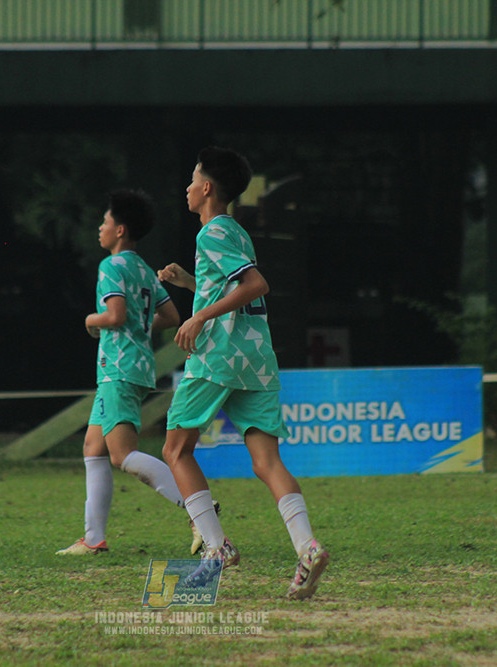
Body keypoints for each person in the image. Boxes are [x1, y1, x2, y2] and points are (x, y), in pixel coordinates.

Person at [158, 147, 329, 600]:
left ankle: (216, 548)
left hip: (217, 355)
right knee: (266, 462)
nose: (188, 187)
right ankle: (307, 547)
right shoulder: (235, 231)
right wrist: (191, 287)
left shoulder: (210, 233)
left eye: (193, 180)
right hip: (256, 356)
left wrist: (195, 319)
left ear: (208, 188)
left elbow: (256, 286)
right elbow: (235, 290)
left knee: (176, 450)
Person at [57, 189, 210, 555]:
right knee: (93, 449)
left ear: (120, 229)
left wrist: (90, 320)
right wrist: (140, 329)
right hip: (137, 365)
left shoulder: (111, 266)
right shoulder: (143, 268)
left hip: (118, 369)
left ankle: (200, 513)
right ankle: (93, 539)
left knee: (121, 455)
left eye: (105, 222)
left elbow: (115, 316)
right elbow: (172, 317)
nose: (100, 228)